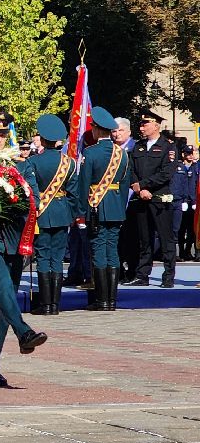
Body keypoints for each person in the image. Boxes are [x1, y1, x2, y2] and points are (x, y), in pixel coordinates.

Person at [0, 112, 49, 387]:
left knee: (3, 306)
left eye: (3, 134)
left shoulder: (21, 166)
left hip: (16, 241)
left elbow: (34, 198)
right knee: (3, 286)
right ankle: (24, 332)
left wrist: (13, 200)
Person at [77, 106, 133, 312]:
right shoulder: (123, 154)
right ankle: (112, 300)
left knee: (99, 250)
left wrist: (82, 211)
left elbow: (84, 184)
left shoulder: (90, 152)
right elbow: (125, 185)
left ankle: (101, 300)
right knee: (113, 250)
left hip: (96, 207)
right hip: (116, 207)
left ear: (97, 129)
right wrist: (119, 208)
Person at [28, 114, 79, 315]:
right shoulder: (69, 163)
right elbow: (74, 194)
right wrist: (71, 215)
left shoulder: (33, 162)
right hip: (62, 212)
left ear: (41, 139)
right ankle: (55, 305)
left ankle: (45, 304)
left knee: (43, 257)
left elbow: (30, 191)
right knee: (57, 258)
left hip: (41, 213)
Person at [124, 108, 178, 287]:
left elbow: (166, 173)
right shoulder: (138, 146)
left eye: (145, 124)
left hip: (159, 198)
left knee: (165, 239)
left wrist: (144, 185)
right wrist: (138, 188)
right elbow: (131, 169)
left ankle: (168, 276)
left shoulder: (168, 146)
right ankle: (142, 275)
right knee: (144, 239)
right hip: (141, 198)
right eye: (141, 124)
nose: (141, 127)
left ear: (156, 125)